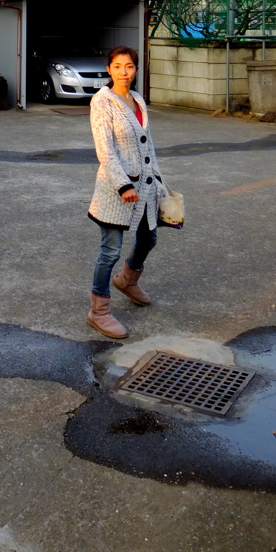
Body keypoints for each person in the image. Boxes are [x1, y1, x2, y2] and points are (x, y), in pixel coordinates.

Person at [86, 45, 163, 339]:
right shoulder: (102, 102)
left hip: (144, 187)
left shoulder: (138, 100)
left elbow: (148, 146)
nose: (124, 72)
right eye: (118, 66)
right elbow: (105, 148)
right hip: (116, 189)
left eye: (129, 66)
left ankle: (128, 281)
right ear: (109, 69)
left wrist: (158, 181)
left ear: (136, 69)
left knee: (148, 237)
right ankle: (99, 311)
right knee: (110, 251)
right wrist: (123, 185)